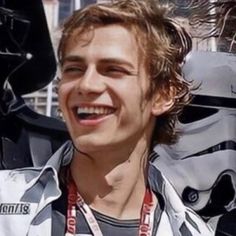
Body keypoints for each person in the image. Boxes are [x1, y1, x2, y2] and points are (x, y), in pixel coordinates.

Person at [0, 0, 214, 235]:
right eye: (74, 69)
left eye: (113, 69)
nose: (86, 84)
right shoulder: (5, 204)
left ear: (162, 94)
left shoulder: (192, 231)